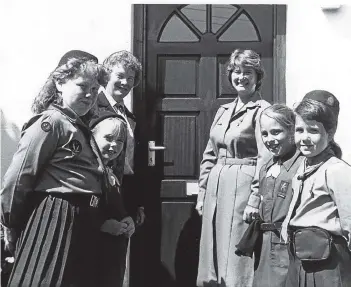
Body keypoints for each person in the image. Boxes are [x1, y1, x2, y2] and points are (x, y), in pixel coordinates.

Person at [0, 51, 106, 286]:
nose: (90, 94)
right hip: (56, 216)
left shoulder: (77, 126)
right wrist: (10, 223)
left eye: (95, 89)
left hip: (83, 219)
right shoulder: (51, 123)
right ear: (60, 83)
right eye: (82, 85)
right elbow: (18, 178)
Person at [195, 49, 271, 287]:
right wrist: (202, 193)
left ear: (258, 77)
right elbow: (210, 155)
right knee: (213, 250)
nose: (241, 77)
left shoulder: (263, 111)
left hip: (243, 189)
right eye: (237, 72)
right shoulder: (223, 110)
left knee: (237, 252)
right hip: (216, 189)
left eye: (248, 72)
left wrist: (255, 199)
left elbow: (265, 158)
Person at [281, 90, 351, 287]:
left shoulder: (337, 171)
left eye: (313, 131)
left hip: (328, 264)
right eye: (299, 130)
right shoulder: (302, 166)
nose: (304, 138)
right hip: (301, 260)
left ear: (329, 134)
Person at [244, 104, 304, 287]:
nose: (270, 139)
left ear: (292, 131)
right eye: (265, 134)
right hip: (265, 248)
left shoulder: (303, 164)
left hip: (290, 248)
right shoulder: (266, 167)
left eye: (276, 132)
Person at [90, 111, 135, 287]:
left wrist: (128, 219)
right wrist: (103, 225)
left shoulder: (111, 172)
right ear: (92, 136)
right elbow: (78, 210)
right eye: (108, 138)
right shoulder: (88, 172)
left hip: (111, 255)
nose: (114, 145)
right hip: (92, 254)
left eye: (120, 141)